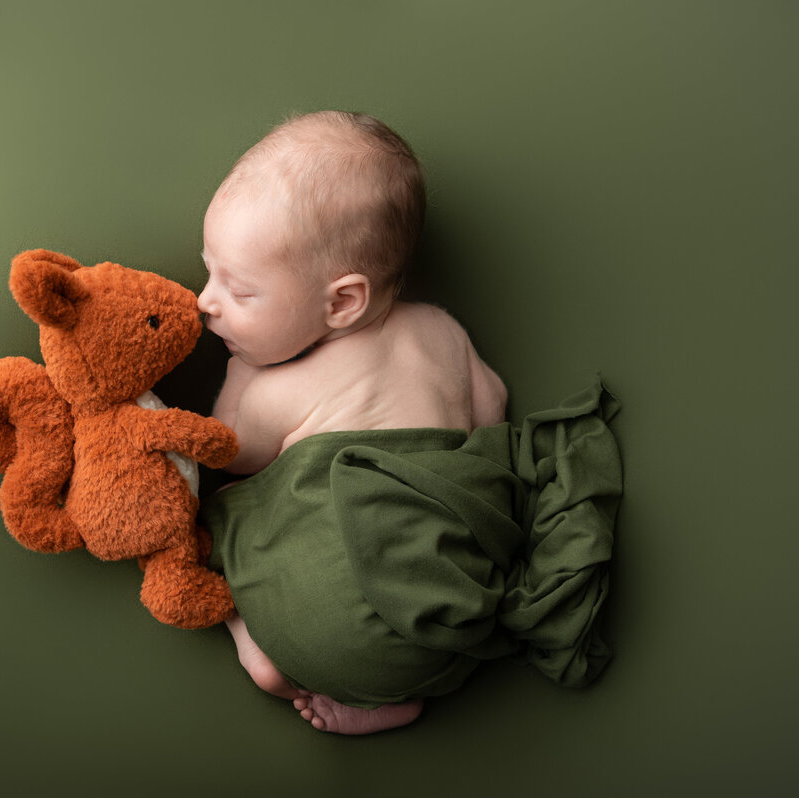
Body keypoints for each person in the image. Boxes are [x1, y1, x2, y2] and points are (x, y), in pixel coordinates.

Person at [197, 111, 621, 735]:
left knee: (229, 506)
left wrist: (240, 378)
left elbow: (226, 452)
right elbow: (489, 416)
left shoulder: (281, 383)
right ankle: (400, 693)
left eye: (239, 291)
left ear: (343, 302)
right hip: (453, 617)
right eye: (208, 268)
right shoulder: (445, 333)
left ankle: (266, 659)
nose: (205, 301)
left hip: (328, 628)